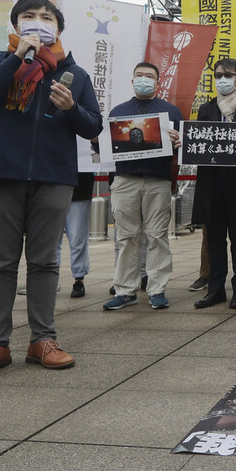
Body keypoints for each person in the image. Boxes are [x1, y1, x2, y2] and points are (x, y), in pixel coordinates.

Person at [0, 0, 102, 384]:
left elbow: (93, 127)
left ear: (58, 28)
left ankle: (43, 340)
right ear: (16, 25)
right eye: (29, 17)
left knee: (44, 262)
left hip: (53, 177)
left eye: (46, 17)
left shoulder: (74, 74)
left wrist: (71, 107)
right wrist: (16, 59)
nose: (38, 22)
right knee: (0, 263)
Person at [102, 63, 183, 311]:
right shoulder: (118, 111)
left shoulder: (170, 111)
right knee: (126, 236)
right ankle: (126, 290)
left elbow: (183, 145)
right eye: (140, 76)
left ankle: (157, 289)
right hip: (125, 180)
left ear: (158, 83)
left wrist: (178, 140)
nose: (144, 80)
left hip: (157, 180)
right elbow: (105, 146)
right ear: (132, 79)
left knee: (157, 235)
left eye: (149, 77)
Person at [191, 58, 236, 309]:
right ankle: (215, 289)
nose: (221, 79)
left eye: (227, 74)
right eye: (218, 74)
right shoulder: (206, 108)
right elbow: (199, 143)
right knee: (214, 239)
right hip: (212, 183)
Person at [59, 172, 95, 297]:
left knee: (78, 238)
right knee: (51, 240)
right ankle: (49, 277)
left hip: (80, 185)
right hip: (54, 185)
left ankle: (79, 278)